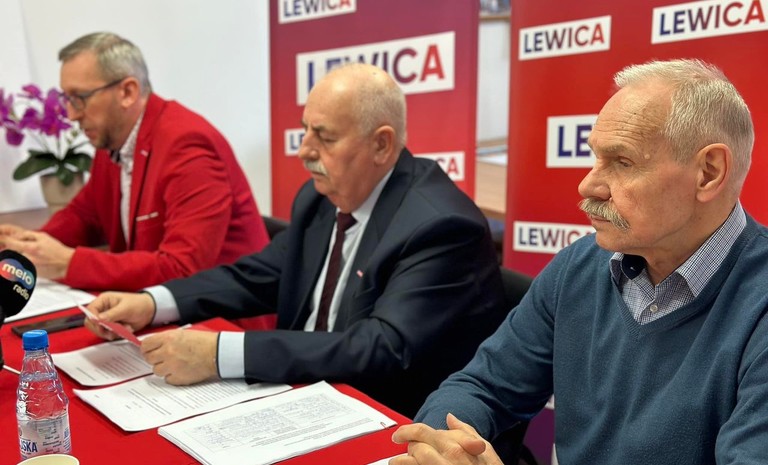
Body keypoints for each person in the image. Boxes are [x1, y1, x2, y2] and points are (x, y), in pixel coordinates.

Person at [391, 58, 768, 464]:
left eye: (622, 162)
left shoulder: (757, 305)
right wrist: (447, 448)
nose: (588, 185)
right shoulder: (580, 266)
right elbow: (481, 387)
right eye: (596, 158)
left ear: (708, 173)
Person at [83, 62, 507, 417]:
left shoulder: (441, 227)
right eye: (305, 131)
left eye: (325, 137)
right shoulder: (321, 197)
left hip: (391, 417)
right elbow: (257, 276)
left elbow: (380, 348)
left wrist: (219, 354)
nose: (304, 151)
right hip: (302, 398)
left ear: (382, 145)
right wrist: (152, 302)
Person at [0, 32, 268, 291]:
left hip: (222, 312)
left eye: (79, 99)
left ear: (127, 92)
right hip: (158, 304)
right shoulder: (113, 138)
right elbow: (86, 216)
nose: (71, 114)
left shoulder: (187, 145)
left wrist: (68, 263)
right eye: (66, 99)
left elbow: (182, 269)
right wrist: (28, 245)